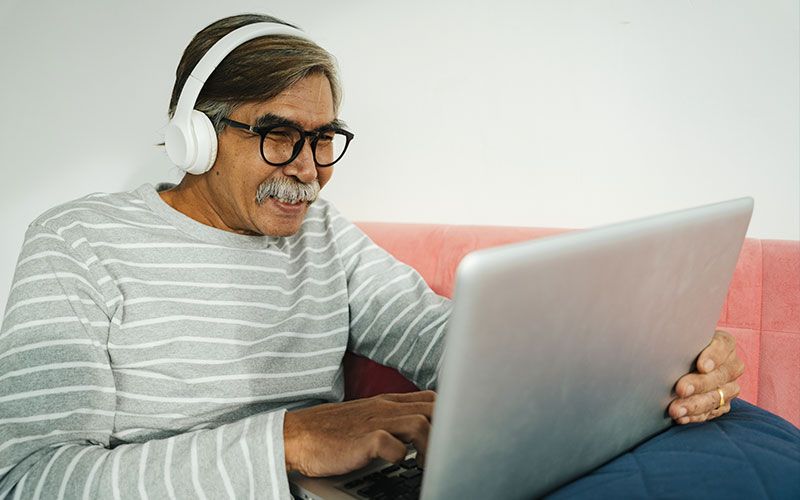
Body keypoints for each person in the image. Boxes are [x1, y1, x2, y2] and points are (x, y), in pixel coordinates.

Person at [0, 13, 745, 499]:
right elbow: (29, 479)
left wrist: (653, 357)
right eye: (280, 134)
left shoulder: (325, 236)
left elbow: (451, 342)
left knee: (739, 454)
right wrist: (289, 441)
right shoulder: (77, 243)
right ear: (195, 135)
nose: (309, 169)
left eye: (325, 140)